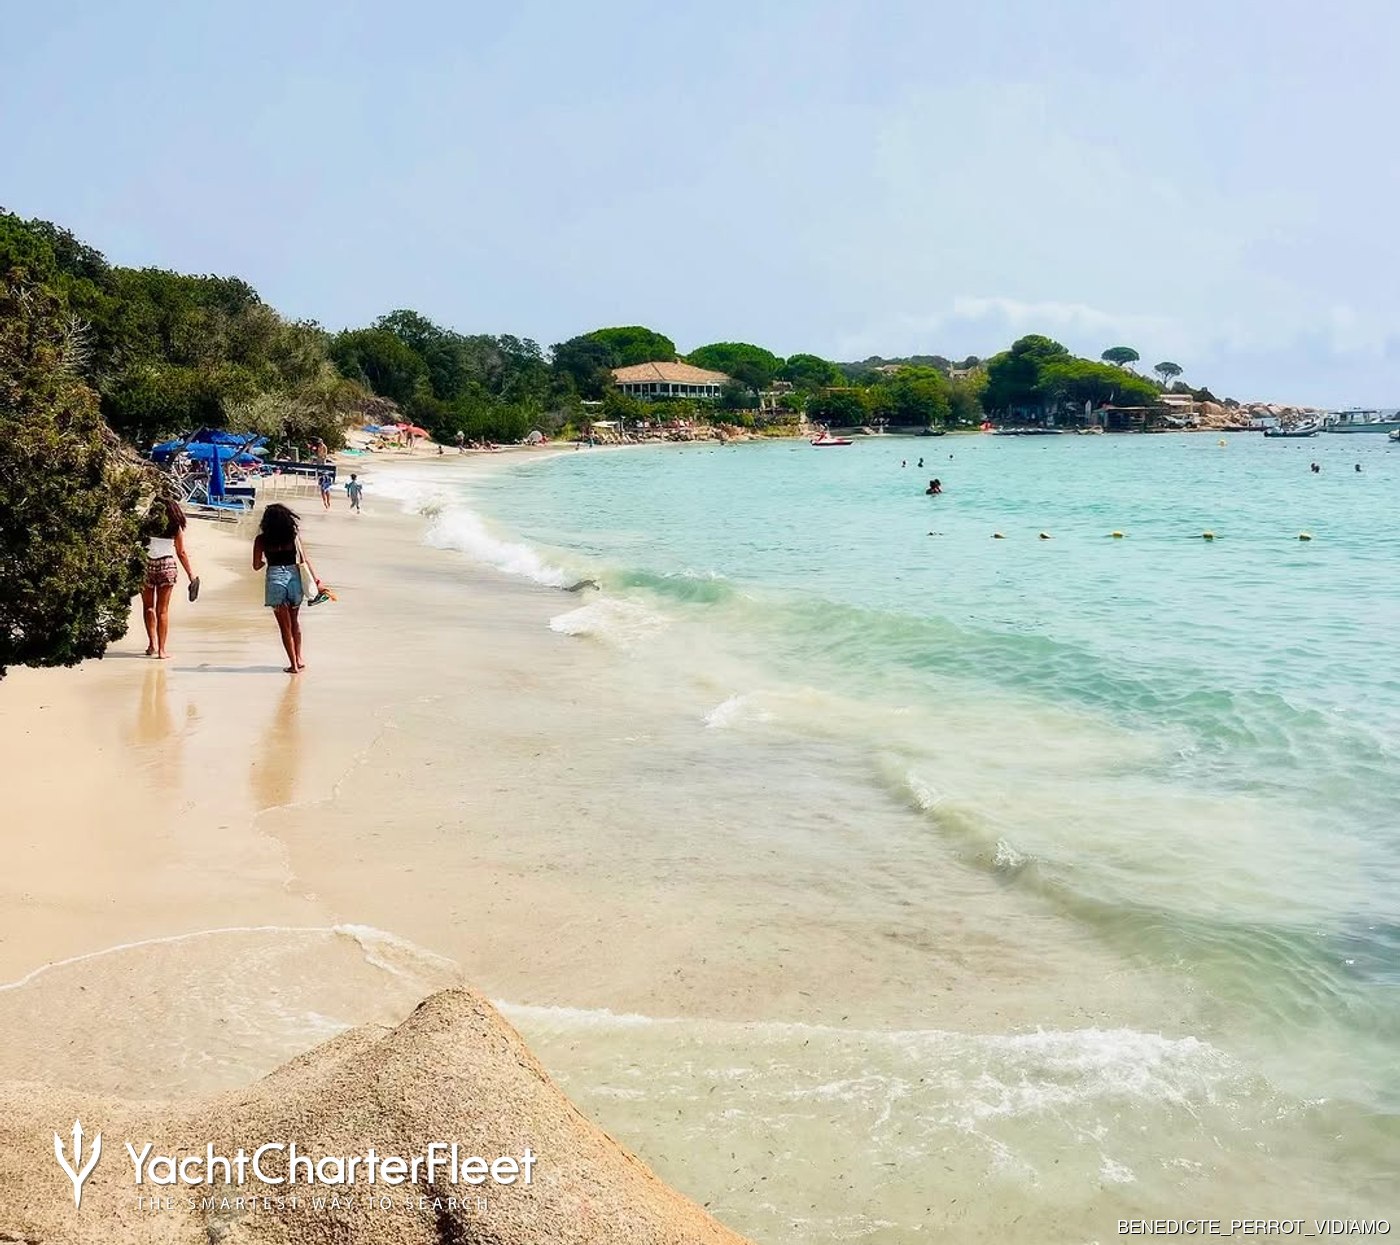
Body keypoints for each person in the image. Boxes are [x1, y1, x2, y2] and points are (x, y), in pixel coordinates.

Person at [253, 504, 321, 674]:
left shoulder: (261, 539)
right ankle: (299, 658)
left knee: (285, 627)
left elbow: (256, 565)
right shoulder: (293, 537)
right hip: (294, 580)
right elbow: (304, 561)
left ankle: (293, 665)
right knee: (295, 622)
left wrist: (264, 562)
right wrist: (317, 582)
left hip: (275, 579)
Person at [141, 498, 196, 659]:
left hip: (147, 565)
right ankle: (162, 650)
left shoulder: (147, 525)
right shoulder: (174, 526)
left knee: (148, 607)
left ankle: (152, 644)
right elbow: (181, 552)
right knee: (163, 611)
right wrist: (191, 574)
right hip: (167, 565)